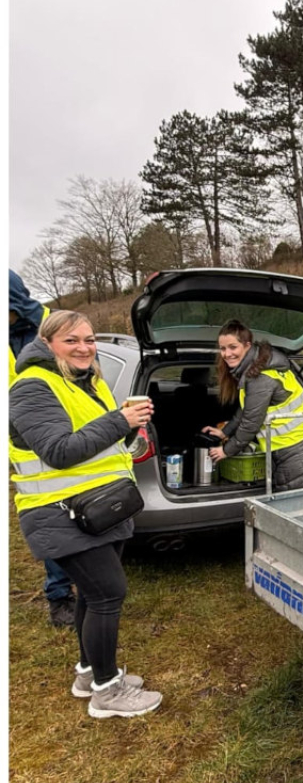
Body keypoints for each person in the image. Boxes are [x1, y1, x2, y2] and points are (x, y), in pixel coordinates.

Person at [9, 310, 162, 717]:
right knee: (108, 593)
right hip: (60, 513)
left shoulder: (85, 382)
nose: (83, 347)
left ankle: (89, 672)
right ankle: (107, 692)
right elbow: (59, 451)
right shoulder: (31, 388)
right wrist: (119, 420)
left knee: (92, 596)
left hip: (97, 509)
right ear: (47, 343)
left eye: (89, 339)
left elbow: (97, 441)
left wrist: (130, 427)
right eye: (71, 340)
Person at [9, 271, 75, 628]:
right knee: (49, 520)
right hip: (24, 449)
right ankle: (60, 596)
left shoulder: (57, 324)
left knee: (77, 511)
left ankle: (92, 581)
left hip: (68, 437)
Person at [202, 321, 303, 490]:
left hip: (301, 449)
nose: (227, 353)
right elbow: (246, 410)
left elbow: (251, 423)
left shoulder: (261, 378)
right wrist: (225, 431)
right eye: (223, 349)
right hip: (297, 445)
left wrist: (226, 451)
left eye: (233, 347)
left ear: (247, 346)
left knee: (296, 505)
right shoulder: (258, 369)